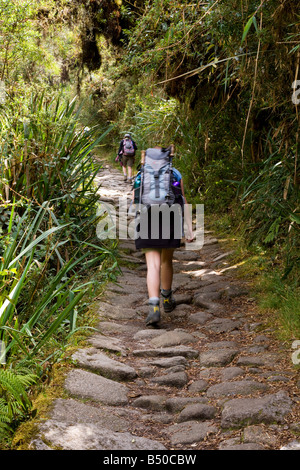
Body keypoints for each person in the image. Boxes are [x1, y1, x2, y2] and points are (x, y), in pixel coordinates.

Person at [132, 146, 194, 327]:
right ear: (168, 158)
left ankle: (154, 307)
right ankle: (166, 298)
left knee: (152, 264)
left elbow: (135, 201)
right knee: (166, 261)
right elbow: (183, 200)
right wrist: (189, 228)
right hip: (170, 215)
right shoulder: (174, 173)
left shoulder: (141, 174)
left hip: (146, 216)